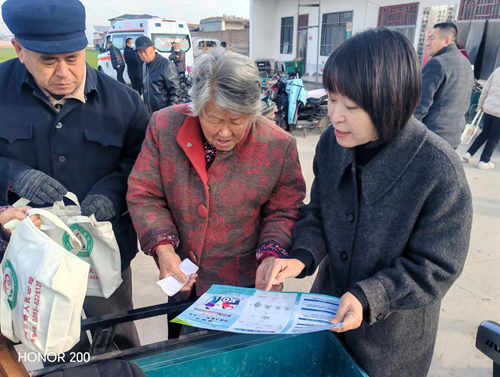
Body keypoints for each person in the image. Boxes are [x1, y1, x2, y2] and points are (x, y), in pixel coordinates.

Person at [260, 28, 472, 377]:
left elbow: (437, 267)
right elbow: (318, 211)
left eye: (352, 106)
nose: (335, 116)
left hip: (391, 343)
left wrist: (369, 296)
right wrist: (300, 258)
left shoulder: (438, 169)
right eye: (331, 99)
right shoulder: (332, 143)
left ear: (392, 100)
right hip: (326, 312)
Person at [0, 0, 150, 357]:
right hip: (24, 252)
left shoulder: (125, 103)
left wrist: (111, 194)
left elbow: (143, 164)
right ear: (19, 50)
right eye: (48, 61)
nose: (64, 73)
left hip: (100, 252)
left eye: (73, 57)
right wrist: (12, 174)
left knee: (114, 340)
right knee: (40, 342)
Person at [127, 47, 306, 338]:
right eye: (213, 119)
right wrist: (164, 250)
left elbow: (285, 208)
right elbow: (144, 192)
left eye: (236, 121)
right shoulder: (163, 126)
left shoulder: (278, 145)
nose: (224, 133)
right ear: (196, 106)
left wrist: (272, 253)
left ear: (252, 110)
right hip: (182, 279)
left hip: (242, 286)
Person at [414, 22, 474, 149]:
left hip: (432, 138)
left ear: (446, 41)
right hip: (453, 138)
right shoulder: (466, 63)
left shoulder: (437, 63)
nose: (427, 43)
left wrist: (410, 137)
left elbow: (420, 105)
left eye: (431, 38)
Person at [462, 66, 500, 169]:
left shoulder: (497, 70)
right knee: (494, 137)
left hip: (489, 108)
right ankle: (484, 161)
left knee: (485, 133)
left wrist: (481, 104)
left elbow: (486, 88)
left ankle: (468, 153)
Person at [135, 36, 180, 114]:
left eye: (145, 51)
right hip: (150, 112)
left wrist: (170, 113)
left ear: (153, 48)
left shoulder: (166, 65)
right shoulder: (144, 65)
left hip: (163, 112)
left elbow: (176, 91)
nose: (143, 54)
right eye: (139, 52)